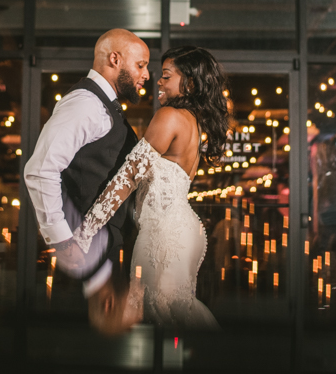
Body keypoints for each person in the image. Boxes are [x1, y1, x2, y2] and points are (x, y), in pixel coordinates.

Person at [72, 46, 230, 330]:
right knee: (171, 312)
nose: (158, 80)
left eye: (167, 75)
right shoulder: (194, 123)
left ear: (190, 83)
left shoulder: (169, 116)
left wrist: (87, 228)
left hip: (163, 233)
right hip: (182, 230)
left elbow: (128, 176)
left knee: (158, 312)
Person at [24, 29, 150, 287]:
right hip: (83, 251)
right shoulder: (85, 103)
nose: (146, 75)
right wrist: (62, 241)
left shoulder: (103, 104)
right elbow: (40, 170)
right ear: (115, 59)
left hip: (100, 246)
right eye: (140, 65)